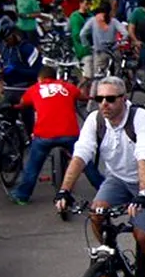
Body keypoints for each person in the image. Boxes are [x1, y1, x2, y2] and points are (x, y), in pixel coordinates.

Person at [55, 77, 145, 277]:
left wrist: (144, 192)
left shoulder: (139, 117)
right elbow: (82, 152)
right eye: (99, 99)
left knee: (142, 234)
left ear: (123, 99)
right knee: (96, 213)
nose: (104, 104)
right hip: (118, 178)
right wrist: (64, 190)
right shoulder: (95, 119)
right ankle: (114, 258)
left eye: (110, 99)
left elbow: (144, 153)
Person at [10, 65, 102, 204]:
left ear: (39, 78)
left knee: (33, 166)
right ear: (55, 77)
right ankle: (103, 189)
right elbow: (83, 97)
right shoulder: (67, 86)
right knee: (84, 161)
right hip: (70, 133)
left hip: (44, 135)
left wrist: (16, 106)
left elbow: (22, 103)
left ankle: (22, 195)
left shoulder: (35, 89)